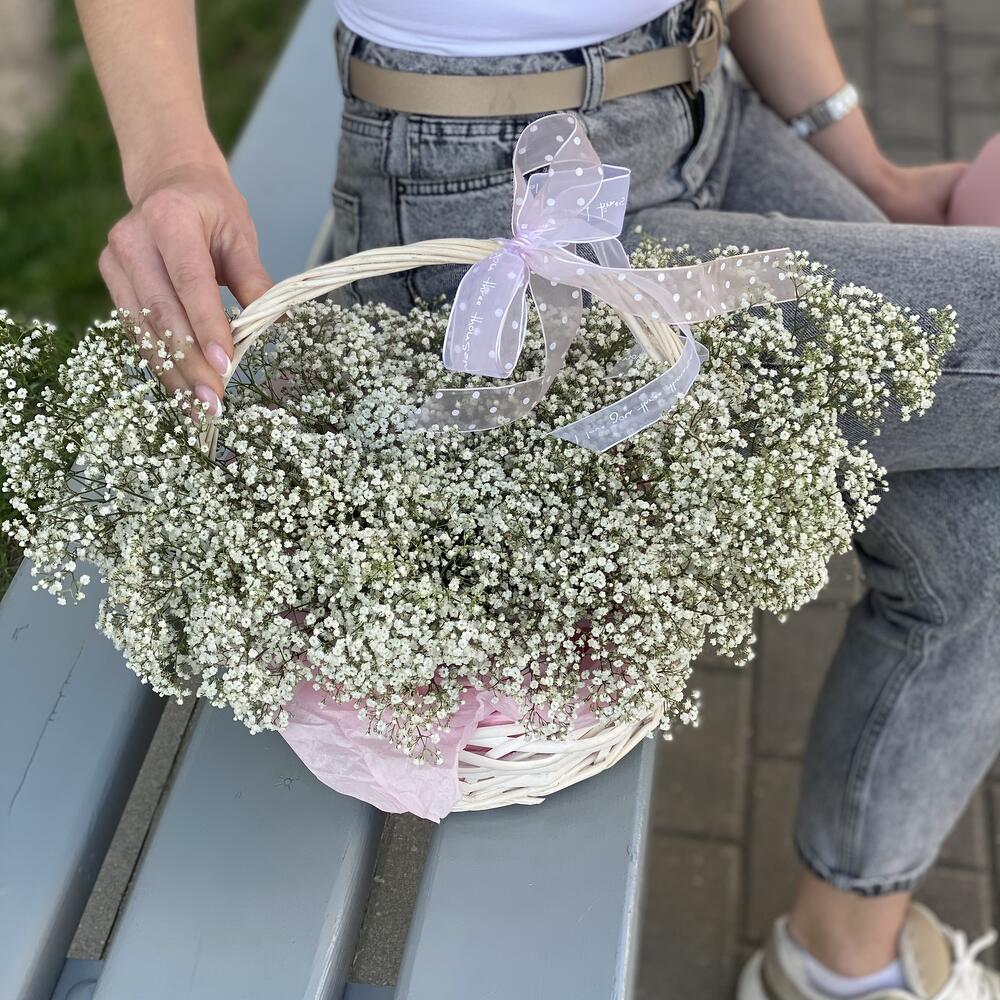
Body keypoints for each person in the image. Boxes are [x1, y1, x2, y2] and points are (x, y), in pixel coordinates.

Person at [75, 0, 1000, 997]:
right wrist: (172, 161)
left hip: (706, 105)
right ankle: (844, 968)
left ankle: (838, 952)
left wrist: (861, 164)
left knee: (976, 532)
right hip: (488, 178)